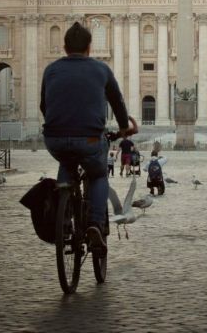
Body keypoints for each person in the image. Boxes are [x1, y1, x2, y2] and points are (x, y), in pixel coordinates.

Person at [40, 22, 137, 253]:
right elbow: (118, 102)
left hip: (54, 138)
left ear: (64, 48)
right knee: (98, 174)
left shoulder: (51, 70)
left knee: (66, 159)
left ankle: (63, 220)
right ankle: (94, 223)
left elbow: (44, 105)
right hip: (90, 139)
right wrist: (124, 127)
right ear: (89, 48)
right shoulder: (101, 69)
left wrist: (58, 123)